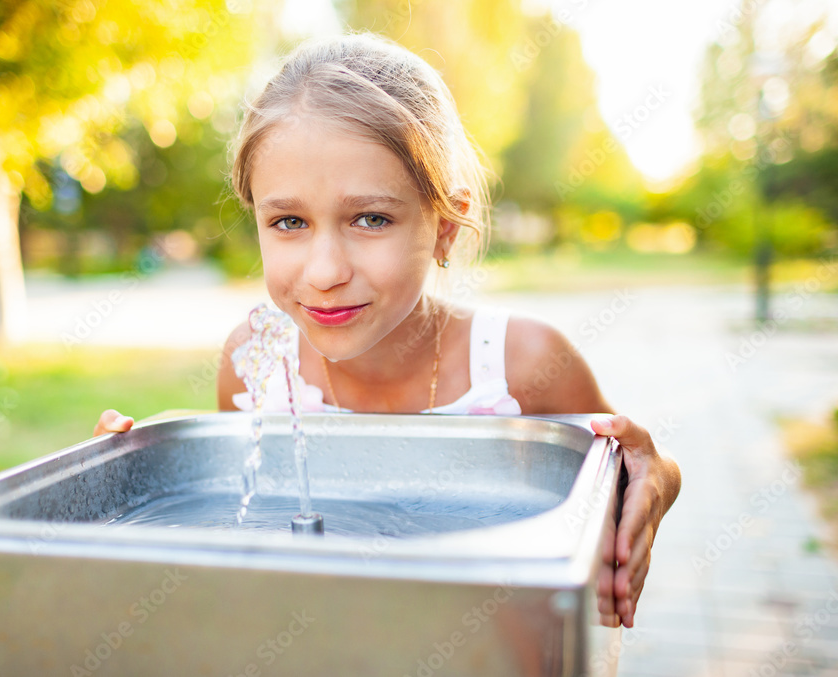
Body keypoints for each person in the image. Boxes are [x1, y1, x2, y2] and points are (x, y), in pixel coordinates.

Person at [95, 32, 681, 629]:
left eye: (371, 219)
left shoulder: (521, 364)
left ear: (445, 229)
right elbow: (235, 523)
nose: (325, 272)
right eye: (289, 221)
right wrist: (126, 486)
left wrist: (658, 481)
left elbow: (634, 468)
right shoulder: (256, 364)